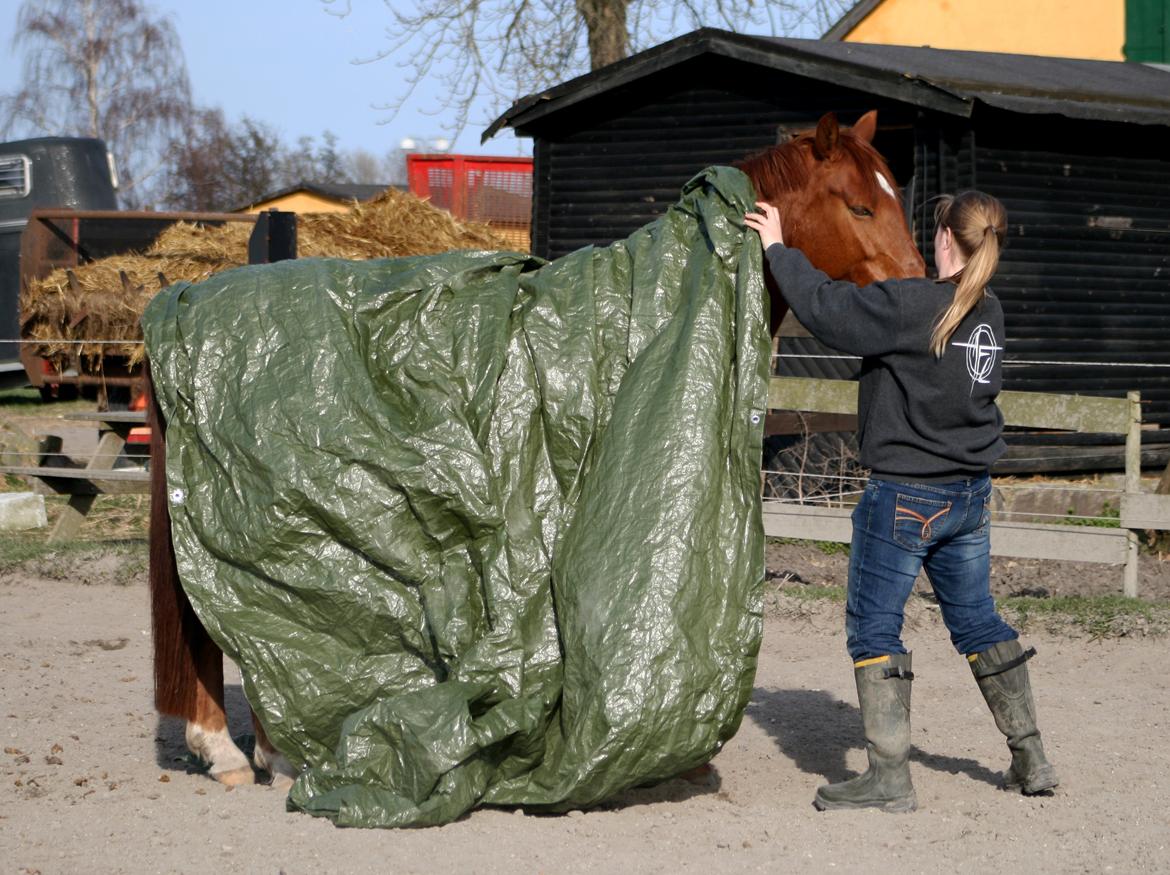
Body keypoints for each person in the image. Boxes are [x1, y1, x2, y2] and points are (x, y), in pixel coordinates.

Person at [744, 191, 1058, 813]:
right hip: (968, 497)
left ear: (945, 238)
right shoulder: (988, 310)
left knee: (874, 628)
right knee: (977, 622)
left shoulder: (918, 305)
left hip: (906, 498)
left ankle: (889, 779)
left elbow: (828, 310)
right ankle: (1032, 757)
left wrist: (777, 246)